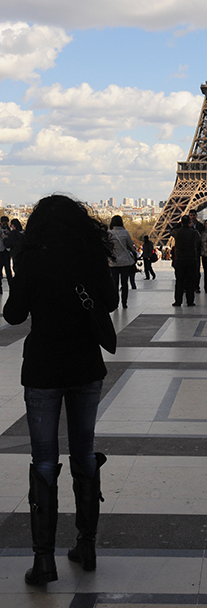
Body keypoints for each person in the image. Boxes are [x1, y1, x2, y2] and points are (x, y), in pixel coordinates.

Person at [3, 194, 118, 585]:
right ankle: (86, 544)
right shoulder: (90, 256)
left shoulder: (32, 258)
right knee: (83, 451)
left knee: (45, 460)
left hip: (43, 368)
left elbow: (14, 314)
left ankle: (44, 560)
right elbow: (109, 300)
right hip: (85, 364)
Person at [171, 215, 200, 306]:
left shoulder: (177, 232)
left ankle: (178, 301)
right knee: (190, 281)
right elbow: (199, 238)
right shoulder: (194, 232)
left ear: (182, 222)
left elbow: (170, 231)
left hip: (180, 259)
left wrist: (179, 225)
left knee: (179, 281)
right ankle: (190, 301)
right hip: (191, 259)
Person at [109, 215, 136, 308]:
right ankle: (124, 302)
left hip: (113, 262)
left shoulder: (109, 233)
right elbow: (131, 246)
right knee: (125, 283)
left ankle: (115, 303)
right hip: (124, 261)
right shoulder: (125, 232)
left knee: (114, 283)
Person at [188, 209, 204, 292]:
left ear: (196, 215)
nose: (192, 217)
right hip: (188, 251)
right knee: (188, 270)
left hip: (197, 251)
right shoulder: (185, 226)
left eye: (193, 215)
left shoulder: (201, 226)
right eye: (191, 215)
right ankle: (188, 286)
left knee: (197, 269)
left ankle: (196, 286)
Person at [0, 215, 13, 292]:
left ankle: (11, 285)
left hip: (6, 251)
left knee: (8, 269)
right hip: (1, 250)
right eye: (4, 224)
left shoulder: (9, 229)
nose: (5, 225)